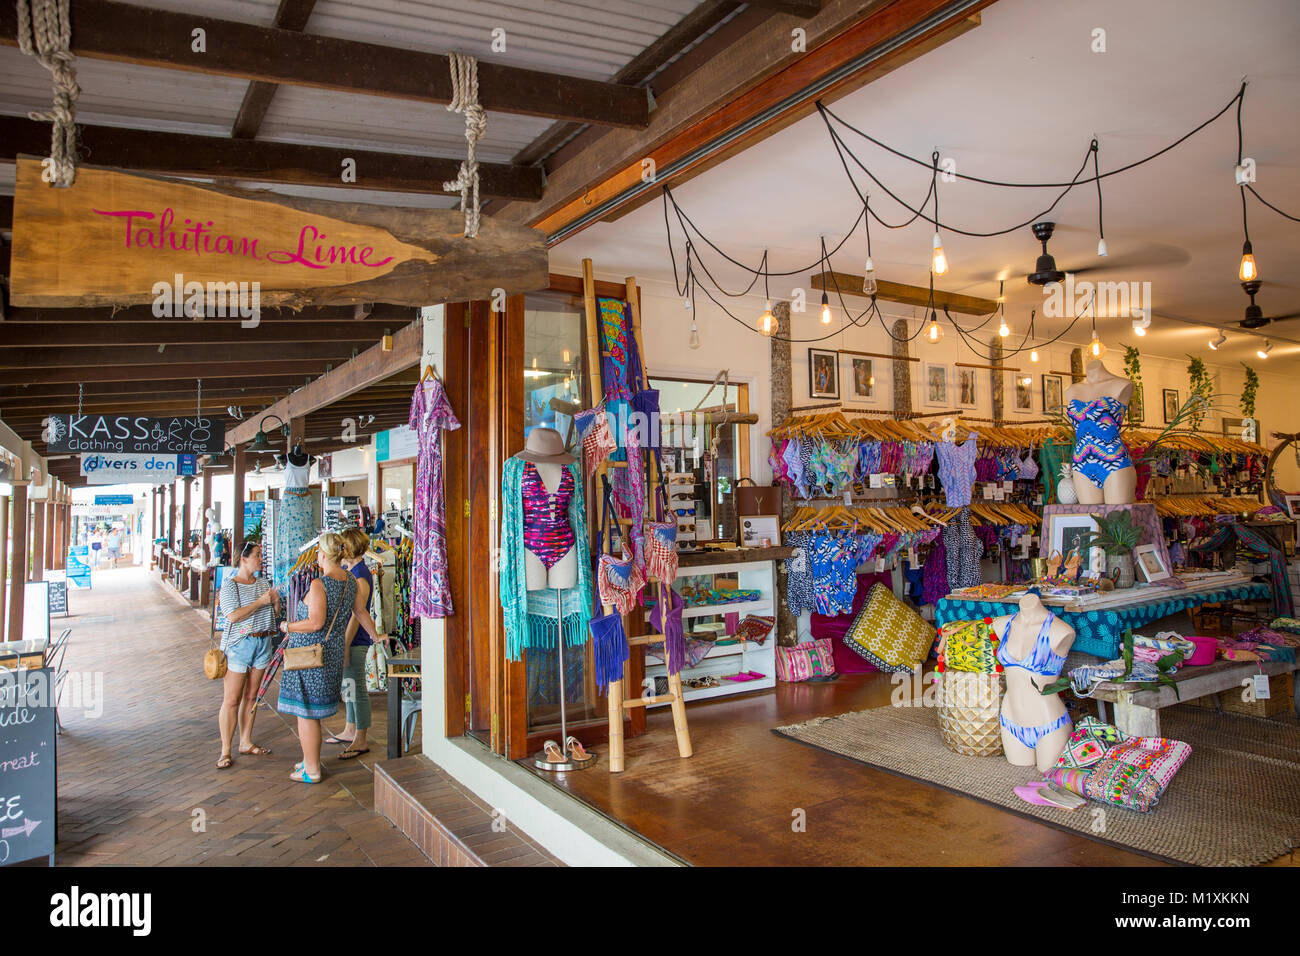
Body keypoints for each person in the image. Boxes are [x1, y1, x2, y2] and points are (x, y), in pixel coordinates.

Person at [278, 532, 383, 783]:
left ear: (322, 555)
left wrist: (287, 626)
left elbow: (315, 622)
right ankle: (309, 760)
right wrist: (376, 636)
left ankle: (312, 768)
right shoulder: (349, 581)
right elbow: (361, 612)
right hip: (331, 655)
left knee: (306, 713)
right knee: (310, 711)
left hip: (311, 656)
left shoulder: (319, 584)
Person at [216, 541, 281, 769]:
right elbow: (232, 616)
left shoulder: (263, 583)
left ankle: (245, 741)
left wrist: (275, 603)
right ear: (243, 559)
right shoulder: (230, 585)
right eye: (257, 555)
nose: (261, 559)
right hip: (238, 645)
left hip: (262, 643)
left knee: (253, 696)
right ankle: (225, 749)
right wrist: (260, 602)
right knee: (232, 699)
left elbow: (274, 614)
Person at [326, 527, 390, 759]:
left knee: (356, 687)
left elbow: (357, 614)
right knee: (349, 686)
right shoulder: (352, 570)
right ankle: (350, 728)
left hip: (355, 640)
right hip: (349, 639)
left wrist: (345, 643)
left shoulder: (361, 575)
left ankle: (360, 737)